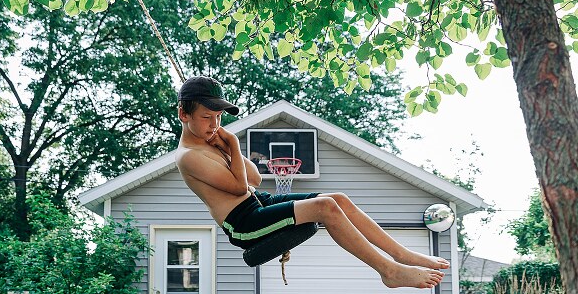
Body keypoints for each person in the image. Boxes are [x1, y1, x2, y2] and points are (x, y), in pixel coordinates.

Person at [174, 76, 448, 289]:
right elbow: (238, 187)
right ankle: (388, 271)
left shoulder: (214, 144)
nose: (215, 124)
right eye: (207, 117)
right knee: (325, 207)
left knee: (338, 198)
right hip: (244, 223)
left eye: (219, 117)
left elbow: (255, 178)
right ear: (183, 115)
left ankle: (401, 254)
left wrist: (225, 147)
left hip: (260, 202)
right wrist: (232, 142)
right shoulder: (189, 157)